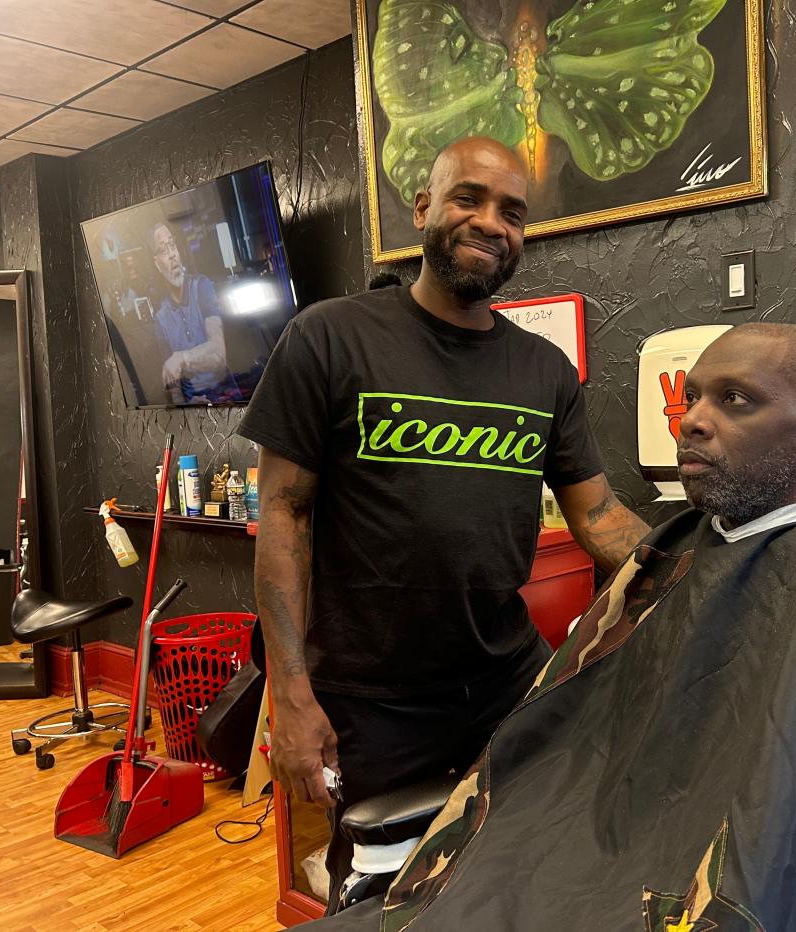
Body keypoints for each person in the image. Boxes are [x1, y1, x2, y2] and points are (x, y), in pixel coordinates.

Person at [312, 324, 796, 931]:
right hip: (567, 861)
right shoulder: (674, 551)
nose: (695, 423)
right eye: (694, 399)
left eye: (735, 401)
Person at [237, 136, 650, 912]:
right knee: (385, 896)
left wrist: (702, 558)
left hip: (506, 681)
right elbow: (283, 515)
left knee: (512, 873)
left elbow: (597, 514)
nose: (491, 222)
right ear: (423, 209)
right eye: (469, 198)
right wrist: (291, 696)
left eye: (513, 213)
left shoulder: (543, 372)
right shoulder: (329, 337)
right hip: (372, 697)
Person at [150, 221, 239, 403]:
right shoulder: (160, 319)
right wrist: (187, 407)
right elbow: (174, 390)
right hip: (195, 404)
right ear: (157, 264)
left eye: (172, 245)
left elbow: (219, 352)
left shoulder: (201, 287)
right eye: (163, 249)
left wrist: (182, 358)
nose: (172, 254)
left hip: (226, 395)